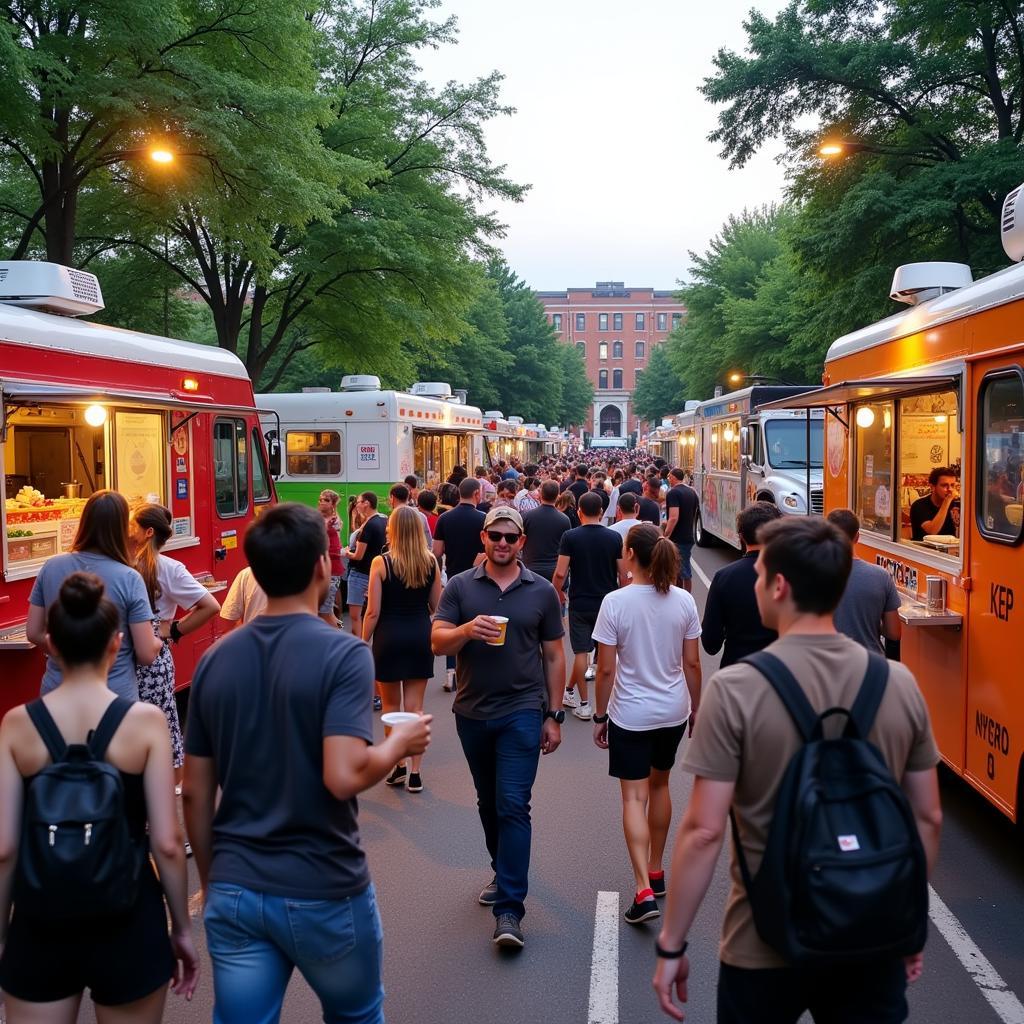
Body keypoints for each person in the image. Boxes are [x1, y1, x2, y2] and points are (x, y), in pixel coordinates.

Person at [652, 517, 943, 1023]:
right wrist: (907, 921)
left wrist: (672, 943)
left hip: (763, 939)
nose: (757, 583)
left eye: (761, 574)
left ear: (780, 587)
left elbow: (703, 831)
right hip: (871, 935)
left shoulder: (738, 689)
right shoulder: (897, 683)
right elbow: (928, 818)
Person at [183, 503, 431, 1024]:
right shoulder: (343, 655)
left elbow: (196, 793)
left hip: (236, 888)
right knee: (356, 1016)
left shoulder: (215, 661)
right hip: (323, 885)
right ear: (323, 565)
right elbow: (342, 776)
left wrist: (213, 882)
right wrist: (396, 747)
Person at [0, 572, 199, 1020]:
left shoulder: (17, 725)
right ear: (116, 643)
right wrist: (181, 929)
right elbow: (166, 844)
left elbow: (5, 849)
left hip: (40, 920)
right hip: (127, 916)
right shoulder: (145, 723)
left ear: (50, 643)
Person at [431, 506, 565, 949]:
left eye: (511, 536)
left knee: (512, 804)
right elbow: (437, 641)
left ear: (522, 541)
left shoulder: (542, 591)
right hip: (471, 712)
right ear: (484, 539)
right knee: (488, 802)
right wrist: (467, 629)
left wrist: (554, 714)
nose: (503, 543)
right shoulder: (460, 585)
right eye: (496, 536)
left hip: (523, 710)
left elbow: (553, 655)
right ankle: (501, 866)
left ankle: (510, 909)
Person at [592, 524, 702, 924]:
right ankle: (657, 868)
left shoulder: (615, 603)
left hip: (631, 714)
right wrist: (696, 707)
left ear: (632, 556)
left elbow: (605, 670)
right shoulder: (684, 602)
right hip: (672, 709)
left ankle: (641, 889)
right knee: (661, 785)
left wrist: (601, 715)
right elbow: (692, 663)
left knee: (633, 798)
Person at [26, 489, 161, 699]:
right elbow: (146, 654)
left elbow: (34, 632)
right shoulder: (130, 578)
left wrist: (70, 651)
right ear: (122, 529)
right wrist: (159, 641)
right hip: (114, 697)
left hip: (57, 692)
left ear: (84, 522)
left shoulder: (50, 567)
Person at [130, 503, 219, 779]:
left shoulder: (167, 568)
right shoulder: (132, 563)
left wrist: (175, 630)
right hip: (149, 658)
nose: (127, 530)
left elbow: (210, 606)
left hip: (144, 657)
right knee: (157, 726)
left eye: (131, 525)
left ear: (148, 532)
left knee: (152, 726)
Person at [362, 506, 441, 793]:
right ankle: (417, 773)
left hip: (388, 638)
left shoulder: (380, 563)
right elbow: (436, 607)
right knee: (416, 708)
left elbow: (372, 612)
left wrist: (362, 642)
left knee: (392, 708)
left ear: (392, 530)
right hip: (420, 635)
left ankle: (398, 765)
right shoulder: (430, 561)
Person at [552, 491, 626, 721]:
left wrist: (558, 594)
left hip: (580, 601)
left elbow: (560, 573)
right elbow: (624, 574)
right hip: (607, 602)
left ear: (579, 511)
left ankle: (584, 703)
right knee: (605, 653)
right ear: (602, 512)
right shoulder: (614, 538)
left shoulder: (570, 537)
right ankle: (607, 701)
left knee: (580, 652)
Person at [701, 502, 783, 668]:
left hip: (736, 671)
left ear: (741, 536)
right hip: (783, 674)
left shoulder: (724, 577)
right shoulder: (796, 575)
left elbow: (710, 643)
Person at [433, 477, 486, 692]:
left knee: (451, 626)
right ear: (476, 494)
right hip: (478, 578)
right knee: (478, 624)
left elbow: (437, 552)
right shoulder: (483, 518)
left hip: (454, 578)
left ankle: (450, 674)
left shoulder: (445, 518)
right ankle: (476, 672)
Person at [827, 509, 902, 655]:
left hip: (826, 665)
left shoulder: (811, 574)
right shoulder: (881, 576)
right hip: (872, 664)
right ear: (857, 537)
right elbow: (894, 633)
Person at [339, 490, 387, 641]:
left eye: (358, 502)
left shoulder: (369, 526)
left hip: (360, 573)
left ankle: (358, 644)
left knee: (356, 616)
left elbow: (358, 555)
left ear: (367, 503)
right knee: (374, 611)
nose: (356, 505)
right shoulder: (383, 520)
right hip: (376, 572)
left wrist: (346, 553)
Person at [522, 480, 572, 582]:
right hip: (554, 570)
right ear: (558, 496)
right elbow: (567, 547)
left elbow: (520, 541)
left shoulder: (527, 516)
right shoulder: (564, 520)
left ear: (540, 494)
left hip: (530, 569)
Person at [663, 468, 699, 592]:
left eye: (669, 477)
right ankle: (686, 594)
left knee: (679, 570)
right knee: (684, 569)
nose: (668, 479)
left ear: (673, 477)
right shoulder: (692, 492)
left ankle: (682, 595)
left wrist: (666, 534)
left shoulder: (673, 493)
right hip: (688, 534)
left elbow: (673, 517)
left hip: (677, 537)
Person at [317, 489, 344, 627]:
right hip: (319, 567)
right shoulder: (317, 518)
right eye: (320, 500)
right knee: (326, 611)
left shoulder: (334, 521)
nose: (322, 503)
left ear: (333, 504)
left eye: (326, 500)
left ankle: (337, 640)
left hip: (331, 568)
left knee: (325, 612)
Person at [910, 466, 959, 539]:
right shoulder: (919, 505)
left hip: (950, 548)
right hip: (925, 549)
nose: (950, 489)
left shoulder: (956, 503)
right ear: (932, 487)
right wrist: (947, 501)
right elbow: (932, 531)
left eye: (952, 485)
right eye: (944, 485)